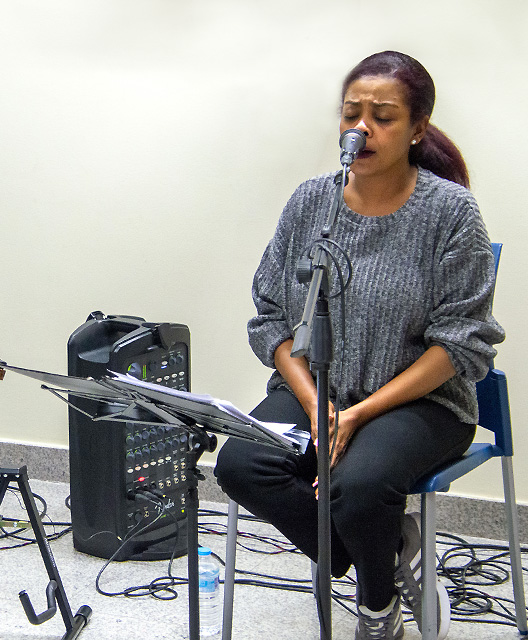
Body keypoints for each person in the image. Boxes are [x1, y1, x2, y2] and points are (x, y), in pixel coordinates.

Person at [213, 51, 504, 640]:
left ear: (417, 129)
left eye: (384, 116)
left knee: (360, 486)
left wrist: (359, 416)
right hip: (318, 385)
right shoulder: (310, 203)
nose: (362, 128)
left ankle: (376, 608)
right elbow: (271, 315)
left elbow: (462, 343)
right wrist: (318, 405)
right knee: (241, 463)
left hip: (421, 402)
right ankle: (388, 549)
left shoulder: (451, 214)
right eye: (352, 114)